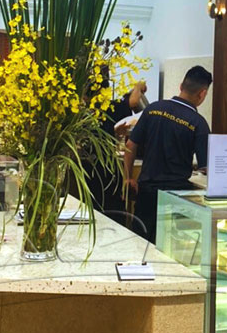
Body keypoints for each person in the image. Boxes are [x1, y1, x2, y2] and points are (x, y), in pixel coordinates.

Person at [123, 66, 212, 242]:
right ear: (202, 94)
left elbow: (130, 145)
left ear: (181, 86)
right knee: (168, 246)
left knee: (140, 242)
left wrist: (127, 177)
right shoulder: (198, 123)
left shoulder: (153, 109)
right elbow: (207, 167)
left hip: (146, 192)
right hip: (175, 197)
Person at [80, 81, 147, 225]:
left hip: (87, 169)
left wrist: (115, 132)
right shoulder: (107, 108)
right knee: (113, 213)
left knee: (94, 209)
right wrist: (139, 86)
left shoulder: (81, 112)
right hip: (106, 171)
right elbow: (134, 101)